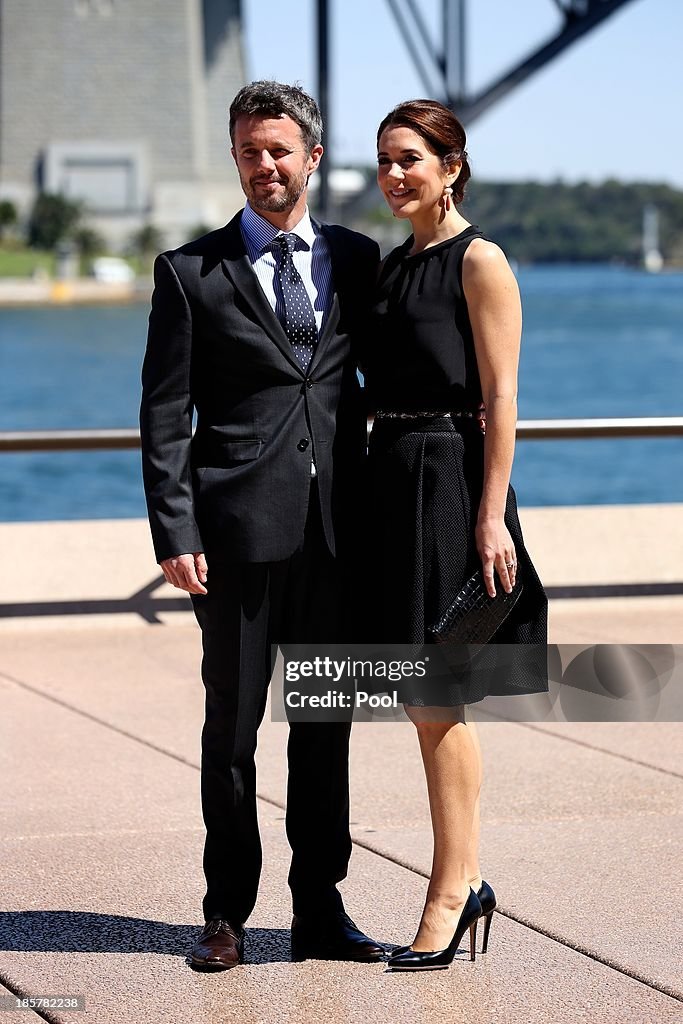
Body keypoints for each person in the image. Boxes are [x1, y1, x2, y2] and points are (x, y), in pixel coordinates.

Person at [139, 80, 383, 970]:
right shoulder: (188, 272)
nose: (264, 166)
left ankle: (319, 911)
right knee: (231, 733)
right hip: (234, 537)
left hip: (337, 537)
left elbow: (388, 377)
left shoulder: (358, 260)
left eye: (279, 150)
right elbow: (164, 415)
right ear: (235, 158)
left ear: (312, 157)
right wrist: (175, 530)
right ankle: (226, 915)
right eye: (249, 151)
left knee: (326, 727)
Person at [362, 99, 548, 971]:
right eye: (384, 161)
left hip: (452, 481)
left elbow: (504, 396)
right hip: (391, 476)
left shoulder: (481, 261)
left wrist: (488, 513)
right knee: (416, 693)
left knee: (438, 696)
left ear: (451, 166)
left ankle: (454, 886)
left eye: (410, 160)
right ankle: (459, 882)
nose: (394, 175)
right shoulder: (394, 267)